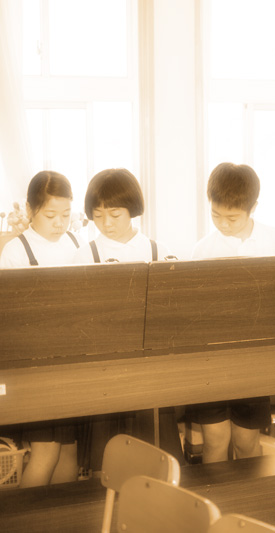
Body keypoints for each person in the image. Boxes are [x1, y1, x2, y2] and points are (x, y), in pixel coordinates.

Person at [76, 168, 184, 470]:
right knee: (107, 462)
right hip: (105, 369)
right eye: (98, 216)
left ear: (132, 210)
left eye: (114, 214)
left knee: (158, 455)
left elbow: (175, 311)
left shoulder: (158, 250)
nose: (106, 224)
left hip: (151, 369)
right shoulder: (85, 255)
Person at [189, 162, 275, 463]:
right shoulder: (202, 250)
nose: (223, 224)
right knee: (214, 442)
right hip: (212, 361)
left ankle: (249, 494)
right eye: (215, 215)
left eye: (232, 218)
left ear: (253, 208)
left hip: (254, 359)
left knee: (247, 443)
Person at [0, 170, 86, 487]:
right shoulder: (16, 251)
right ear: (29, 209)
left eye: (66, 214)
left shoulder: (77, 243)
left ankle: (61, 515)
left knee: (69, 451)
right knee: (45, 452)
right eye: (50, 215)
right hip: (36, 366)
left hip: (70, 362)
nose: (59, 223)